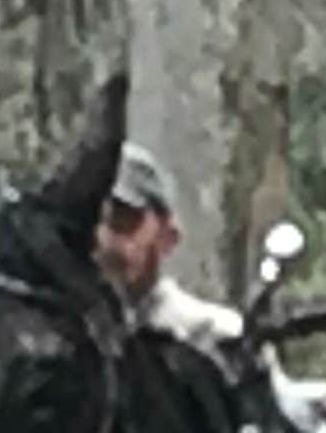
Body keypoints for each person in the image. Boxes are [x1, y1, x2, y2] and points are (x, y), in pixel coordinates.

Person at [94, 143, 246, 348]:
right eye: (92, 218)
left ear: (167, 237)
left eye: (123, 219)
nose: (104, 240)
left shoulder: (212, 333)